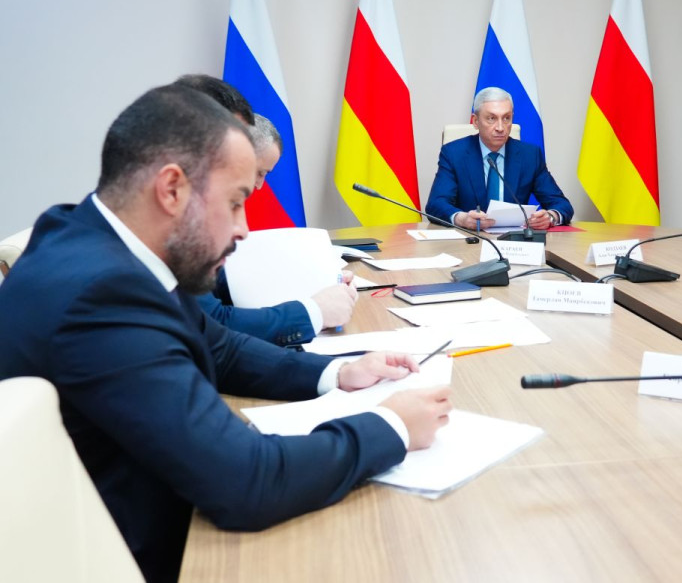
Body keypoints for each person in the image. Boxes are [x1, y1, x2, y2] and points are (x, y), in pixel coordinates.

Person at [0, 85, 452, 582]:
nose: (243, 229)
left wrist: (339, 372)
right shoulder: (103, 298)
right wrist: (393, 427)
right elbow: (248, 482)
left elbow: (220, 347)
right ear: (172, 189)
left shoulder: (97, 239)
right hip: (145, 553)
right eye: (236, 202)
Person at [175, 75, 356, 345]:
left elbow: (221, 284)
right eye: (258, 171)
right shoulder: (176, 223)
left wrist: (315, 277)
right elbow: (213, 325)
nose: (258, 185)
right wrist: (314, 312)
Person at [426, 87, 574, 230]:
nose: (500, 128)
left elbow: (562, 205)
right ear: (475, 121)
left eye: (506, 118)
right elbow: (436, 204)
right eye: (491, 118)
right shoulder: (454, 153)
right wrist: (462, 219)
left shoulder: (529, 155)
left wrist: (550, 217)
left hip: (515, 240)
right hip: (470, 238)